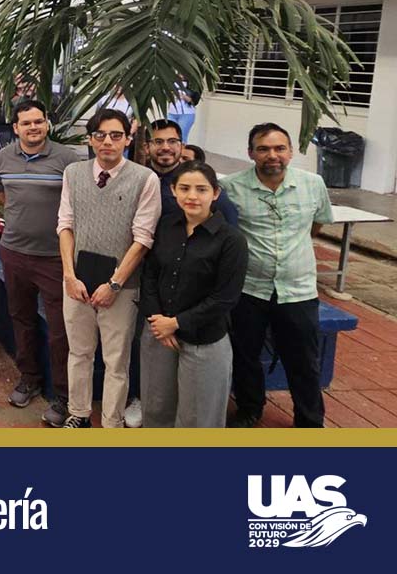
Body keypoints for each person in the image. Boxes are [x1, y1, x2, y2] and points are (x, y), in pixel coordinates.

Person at [222, 123, 334, 428]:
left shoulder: (313, 184)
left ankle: (309, 420)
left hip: (298, 289)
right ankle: (249, 409)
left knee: (303, 359)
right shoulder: (231, 187)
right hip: (250, 288)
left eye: (279, 148)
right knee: (245, 354)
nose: (272, 155)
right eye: (263, 149)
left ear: (291, 152)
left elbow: (317, 224)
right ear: (250, 153)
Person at [56, 109, 161, 428]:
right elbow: (65, 225)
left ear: (128, 139)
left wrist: (114, 285)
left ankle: (112, 423)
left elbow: (142, 239)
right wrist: (69, 276)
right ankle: (79, 414)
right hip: (77, 283)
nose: (107, 142)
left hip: (121, 288)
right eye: (100, 135)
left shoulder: (145, 179)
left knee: (116, 361)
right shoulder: (73, 173)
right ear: (90, 139)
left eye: (116, 135)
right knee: (79, 353)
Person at [0, 99, 87, 426]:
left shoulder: (67, 159)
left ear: (47, 123)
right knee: (22, 319)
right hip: (14, 252)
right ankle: (29, 378)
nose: (33, 127)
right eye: (26, 123)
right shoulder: (4, 157)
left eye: (38, 121)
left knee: (61, 330)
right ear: (15, 128)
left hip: (55, 259)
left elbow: (78, 205)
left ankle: (63, 395)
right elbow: (2, 196)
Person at [139, 161, 247, 427]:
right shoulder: (166, 226)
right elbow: (150, 275)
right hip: (159, 333)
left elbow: (225, 297)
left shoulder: (231, 240)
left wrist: (176, 323)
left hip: (203, 339)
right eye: (184, 188)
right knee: (156, 407)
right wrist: (158, 320)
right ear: (173, 190)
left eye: (201, 189)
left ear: (215, 193)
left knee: (198, 418)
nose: (192, 196)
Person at [146, 119, 238, 224]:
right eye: (158, 142)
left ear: (182, 146)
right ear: (146, 147)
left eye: (172, 141)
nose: (166, 147)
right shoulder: (140, 177)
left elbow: (229, 221)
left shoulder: (200, 179)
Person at [167, 77, 198, 142]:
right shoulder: (171, 82)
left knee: (181, 136)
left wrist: (183, 96)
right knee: (170, 136)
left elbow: (195, 101)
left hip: (186, 114)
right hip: (172, 113)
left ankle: (182, 148)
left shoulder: (192, 84)